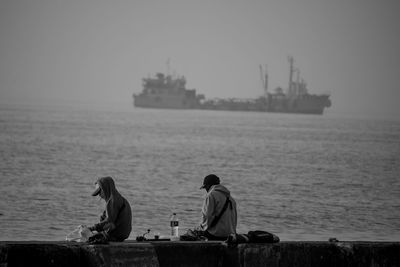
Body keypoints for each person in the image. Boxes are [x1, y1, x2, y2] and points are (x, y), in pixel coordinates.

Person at [88, 176, 132, 242]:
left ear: (106, 189)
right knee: (103, 217)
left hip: (117, 233)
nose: (99, 195)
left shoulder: (113, 201)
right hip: (123, 234)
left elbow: (109, 220)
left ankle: (108, 236)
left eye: (100, 192)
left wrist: (91, 228)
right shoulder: (118, 198)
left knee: (91, 238)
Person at [199, 174, 237, 241]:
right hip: (229, 235)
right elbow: (234, 218)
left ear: (208, 185)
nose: (206, 190)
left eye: (205, 187)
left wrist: (201, 227)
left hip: (215, 234)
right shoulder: (231, 198)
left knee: (193, 234)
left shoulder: (211, 195)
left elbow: (207, 216)